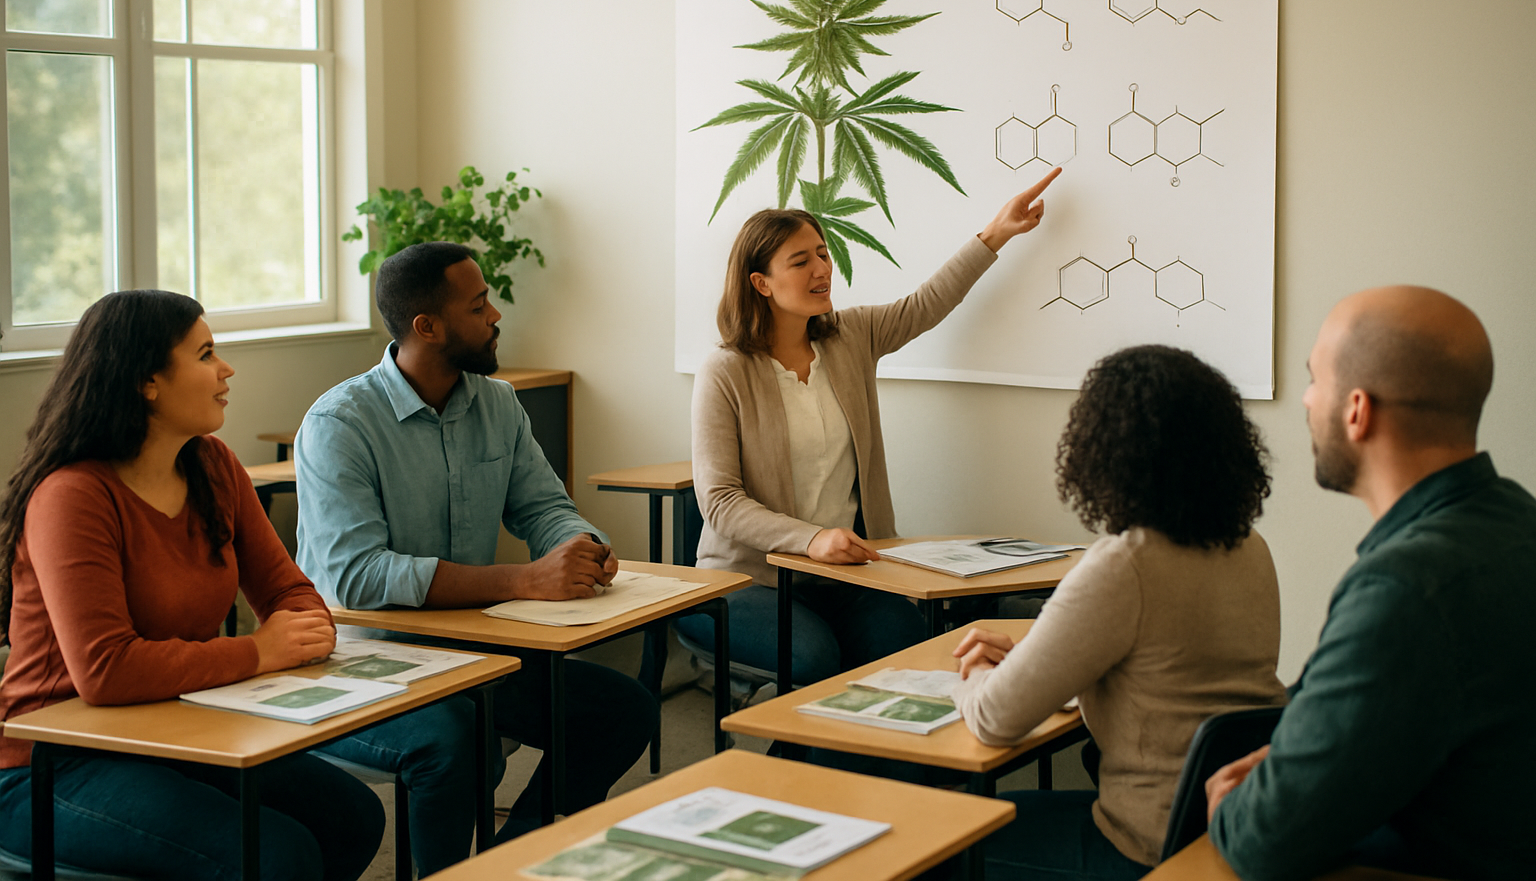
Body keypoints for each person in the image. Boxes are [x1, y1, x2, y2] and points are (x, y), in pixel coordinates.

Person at [296, 242, 657, 876]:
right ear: (427, 327)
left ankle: (511, 863)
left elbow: (543, 508)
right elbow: (356, 576)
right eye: (478, 305)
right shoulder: (339, 423)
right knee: (458, 738)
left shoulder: (497, 403)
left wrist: (582, 545)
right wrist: (525, 579)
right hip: (365, 661)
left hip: (475, 651)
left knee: (621, 710)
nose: (496, 315)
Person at [0, 290, 383, 881]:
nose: (226, 369)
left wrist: (300, 630)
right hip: (53, 763)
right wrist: (258, 651)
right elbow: (106, 671)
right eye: (205, 354)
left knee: (352, 816)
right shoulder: (71, 495)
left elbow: (291, 594)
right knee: (277, 856)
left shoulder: (214, 464)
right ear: (147, 382)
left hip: (175, 732)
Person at [678, 168, 1062, 685]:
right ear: (760, 283)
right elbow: (721, 502)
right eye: (801, 261)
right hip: (754, 578)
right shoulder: (725, 371)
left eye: (822, 254)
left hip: (842, 575)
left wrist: (996, 233)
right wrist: (811, 539)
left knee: (909, 645)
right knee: (814, 659)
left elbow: (926, 305)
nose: (822, 269)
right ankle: (772, 728)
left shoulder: (851, 335)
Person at [1205, 287, 1536, 881]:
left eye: (1315, 380)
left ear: (1356, 410)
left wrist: (1234, 807)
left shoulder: (1404, 590)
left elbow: (1261, 841)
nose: (1307, 400)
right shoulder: (1518, 520)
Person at [951, 345, 1287, 881]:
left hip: (1146, 842)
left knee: (944, 839)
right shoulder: (1250, 547)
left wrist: (976, 676)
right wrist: (1027, 661)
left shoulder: (1125, 564)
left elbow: (994, 720)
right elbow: (1164, 671)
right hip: (1233, 824)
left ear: (1104, 451)